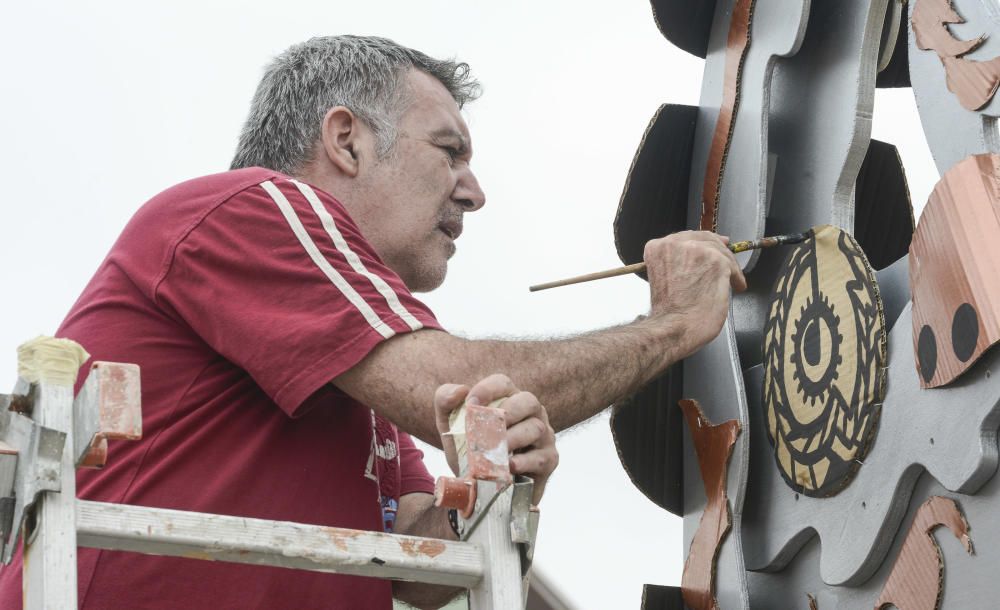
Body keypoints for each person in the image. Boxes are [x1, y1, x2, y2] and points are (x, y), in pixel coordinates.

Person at [0, 35, 744, 609]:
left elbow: (416, 562)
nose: (474, 191)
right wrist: (674, 325)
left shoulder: (354, 353)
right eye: (449, 151)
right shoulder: (249, 207)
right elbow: (450, 388)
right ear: (347, 139)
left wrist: (493, 489)